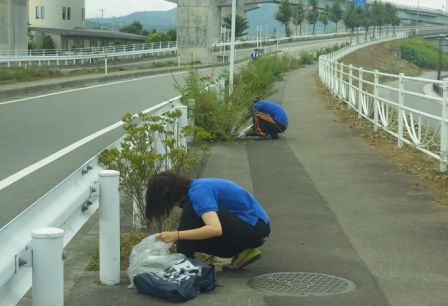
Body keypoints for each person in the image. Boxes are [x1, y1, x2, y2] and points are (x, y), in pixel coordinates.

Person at [145, 171, 271, 271]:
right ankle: (242, 252)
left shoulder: (199, 192)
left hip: (256, 230)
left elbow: (215, 229)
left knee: (190, 212)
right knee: (189, 235)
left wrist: (176, 235)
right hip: (241, 235)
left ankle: (184, 262)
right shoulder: (192, 190)